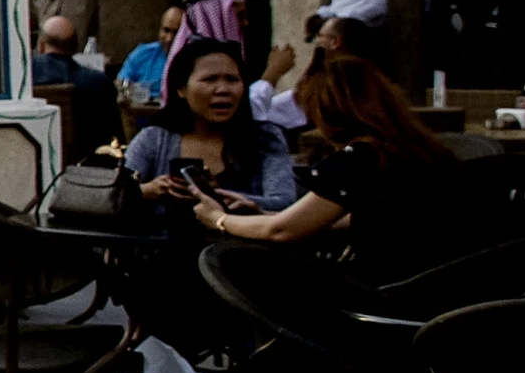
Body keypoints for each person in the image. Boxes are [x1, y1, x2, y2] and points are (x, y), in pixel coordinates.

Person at [185, 49, 469, 278]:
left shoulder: (359, 159)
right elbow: (368, 218)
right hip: (444, 284)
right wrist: (261, 213)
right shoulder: (420, 150)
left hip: (392, 292)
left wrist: (218, 219)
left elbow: (282, 231)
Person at [125, 36, 297, 213]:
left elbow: (285, 203)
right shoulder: (155, 140)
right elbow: (112, 194)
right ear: (181, 89)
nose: (223, 90)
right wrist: (147, 190)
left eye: (232, 80)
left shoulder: (266, 139)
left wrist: (215, 196)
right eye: (210, 80)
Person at [30, 12, 115, 152]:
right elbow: (112, 137)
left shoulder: (24, 78)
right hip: (86, 165)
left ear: (41, 45)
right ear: (76, 47)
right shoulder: (99, 82)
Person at [114, 0, 182, 123]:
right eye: (166, 30)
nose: (170, 38)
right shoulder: (142, 54)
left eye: (176, 33)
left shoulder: (194, 60)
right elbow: (121, 83)